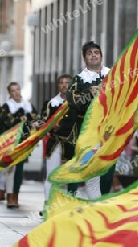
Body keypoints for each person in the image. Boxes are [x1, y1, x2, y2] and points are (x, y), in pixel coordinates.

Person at [66, 41, 113, 199]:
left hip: (109, 131)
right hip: (88, 132)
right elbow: (72, 101)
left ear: (101, 56)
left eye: (96, 52)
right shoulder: (79, 79)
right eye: (89, 53)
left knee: (107, 169)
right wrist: (88, 93)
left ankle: (102, 201)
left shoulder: (113, 74)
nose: (93, 55)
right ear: (85, 58)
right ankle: (95, 206)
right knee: (91, 169)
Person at [0, 82, 39, 208]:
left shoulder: (28, 105)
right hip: (10, 143)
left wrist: (32, 122)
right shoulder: (7, 106)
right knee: (10, 169)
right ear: (10, 93)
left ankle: (16, 196)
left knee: (19, 169)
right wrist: (20, 119)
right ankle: (9, 196)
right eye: (13, 91)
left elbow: (36, 119)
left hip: (23, 142)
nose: (16, 93)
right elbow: (6, 122)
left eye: (17, 89)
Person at [40, 74, 77, 216]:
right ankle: (48, 205)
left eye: (67, 82)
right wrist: (48, 125)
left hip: (72, 143)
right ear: (58, 85)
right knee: (51, 175)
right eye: (61, 83)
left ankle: (70, 205)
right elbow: (43, 121)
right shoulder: (50, 103)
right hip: (55, 143)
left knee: (71, 176)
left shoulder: (76, 103)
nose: (64, 85)